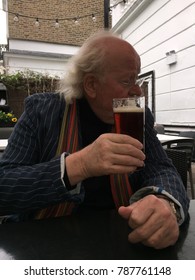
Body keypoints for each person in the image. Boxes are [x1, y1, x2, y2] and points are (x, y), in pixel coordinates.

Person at [0, 30, 189, 249]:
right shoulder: (42, 112)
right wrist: (79, 165)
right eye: (127, 80)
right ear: (91, 85)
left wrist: (166, 204)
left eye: (137, 79)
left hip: (122, 240)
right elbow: (4, 186)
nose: (138, 91)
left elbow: (162, 169)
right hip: (44, 243)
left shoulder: (137, 116)